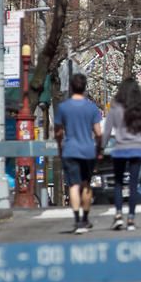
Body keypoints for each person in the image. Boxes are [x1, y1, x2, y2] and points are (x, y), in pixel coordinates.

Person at [54, 73, 103, 235]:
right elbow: (98, 132)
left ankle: (77, 220)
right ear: (84, 87)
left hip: (70, 149)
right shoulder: (91, 108)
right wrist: (99, 149)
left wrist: (60, 147)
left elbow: (59, 132)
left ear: (72, 87)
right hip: (88, 150)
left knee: (74, 186)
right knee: (86, 185)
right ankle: (86, 218)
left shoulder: (63, 107)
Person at [102, 77, 141, 232]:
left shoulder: (115, 108)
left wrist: (101, 148)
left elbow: (107, 131)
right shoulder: (140, 108)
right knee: (133, 185)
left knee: (118, 183)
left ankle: (117, 215)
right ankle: (131, 218)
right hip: (136, 149)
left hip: (120, 149)